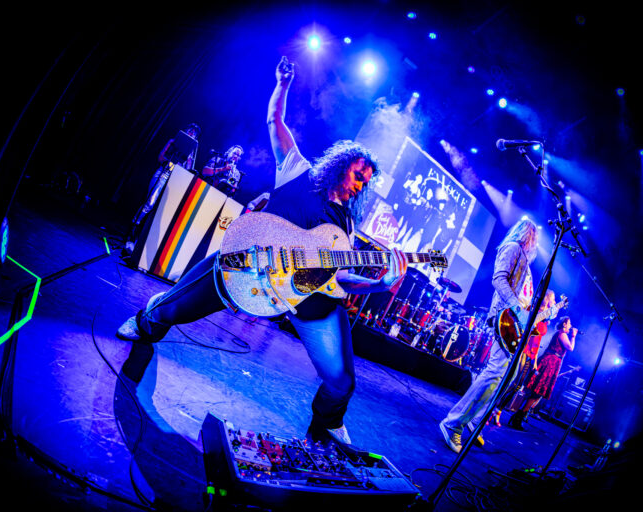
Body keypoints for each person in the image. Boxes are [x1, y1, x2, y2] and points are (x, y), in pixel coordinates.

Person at [116, 56, 408, 446]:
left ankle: (326, 423)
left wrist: (380, 284)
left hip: (305, 296)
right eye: (358, 174)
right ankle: (146, 321)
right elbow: (275, 122)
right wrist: (282, 85)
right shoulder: (297, 169)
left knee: (341, 380)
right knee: (171, 308)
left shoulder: (347, 227)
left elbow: (339, 279)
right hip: (248, 266)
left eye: (366, 182)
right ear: (340, 165)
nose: (360, 185)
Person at [438, 218, 538, 453]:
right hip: (504, 318)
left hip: (513, 321)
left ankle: (474, 421)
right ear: (526, 234)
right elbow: (498, 279)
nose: (535, 241)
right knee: (495, 372)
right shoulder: (513, 248)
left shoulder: (524, 260)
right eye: (533, 235)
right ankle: (453, 424)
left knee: (506, 377)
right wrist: (515, 307)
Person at [125, 123, 201, 254]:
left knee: (161, 210)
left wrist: (189, 159)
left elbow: (188, 171)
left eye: (194, 133)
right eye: (190, 131)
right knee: (150, 202)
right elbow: (160, 157)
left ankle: (144, 241)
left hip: (176, 180)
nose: (191, 134)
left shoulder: (192, 153)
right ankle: (133, 228)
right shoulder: (173, 142)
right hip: (163, 173)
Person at [491, 289, 556, 427]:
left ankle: (498, 409)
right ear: (547, 299)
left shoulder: (545, 317)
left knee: (518, 386)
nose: (553, 302)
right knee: (512, 382)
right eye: (552, 299)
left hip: (530, 353)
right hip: (522, 348)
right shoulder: (533, 309)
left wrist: (535, 360)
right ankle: (493, 407)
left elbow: (537, 340)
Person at [508, 316, 578, 430]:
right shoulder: (562, 334)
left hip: (552, 362)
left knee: (537, 392)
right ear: (564, 324)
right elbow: (570, 347)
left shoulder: (560, 333)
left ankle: (519, 415)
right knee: (537, 391)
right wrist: (574, 336)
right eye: (569, 323)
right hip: (549, 363)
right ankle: (518, 416)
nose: (570, 326)